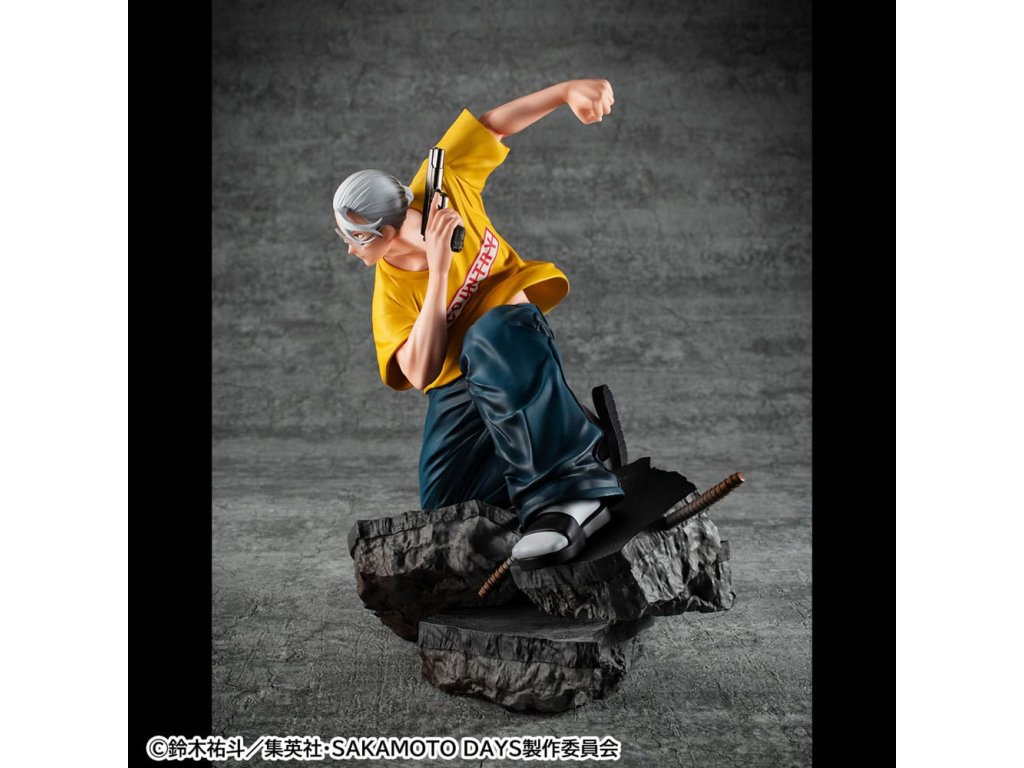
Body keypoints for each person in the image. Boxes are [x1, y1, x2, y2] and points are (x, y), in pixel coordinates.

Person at [332, 79, 624, 570]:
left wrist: (566, 92)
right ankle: (569, 440)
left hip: (509, 336)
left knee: (489, 334)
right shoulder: (392, 288)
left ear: (385, 231)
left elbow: (492, 126)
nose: (349, 250)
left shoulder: (442, 183)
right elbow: (421, 373)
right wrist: (439, 271)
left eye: (355, 239)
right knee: (448, 507)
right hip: (458, 383)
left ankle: (574, 495)